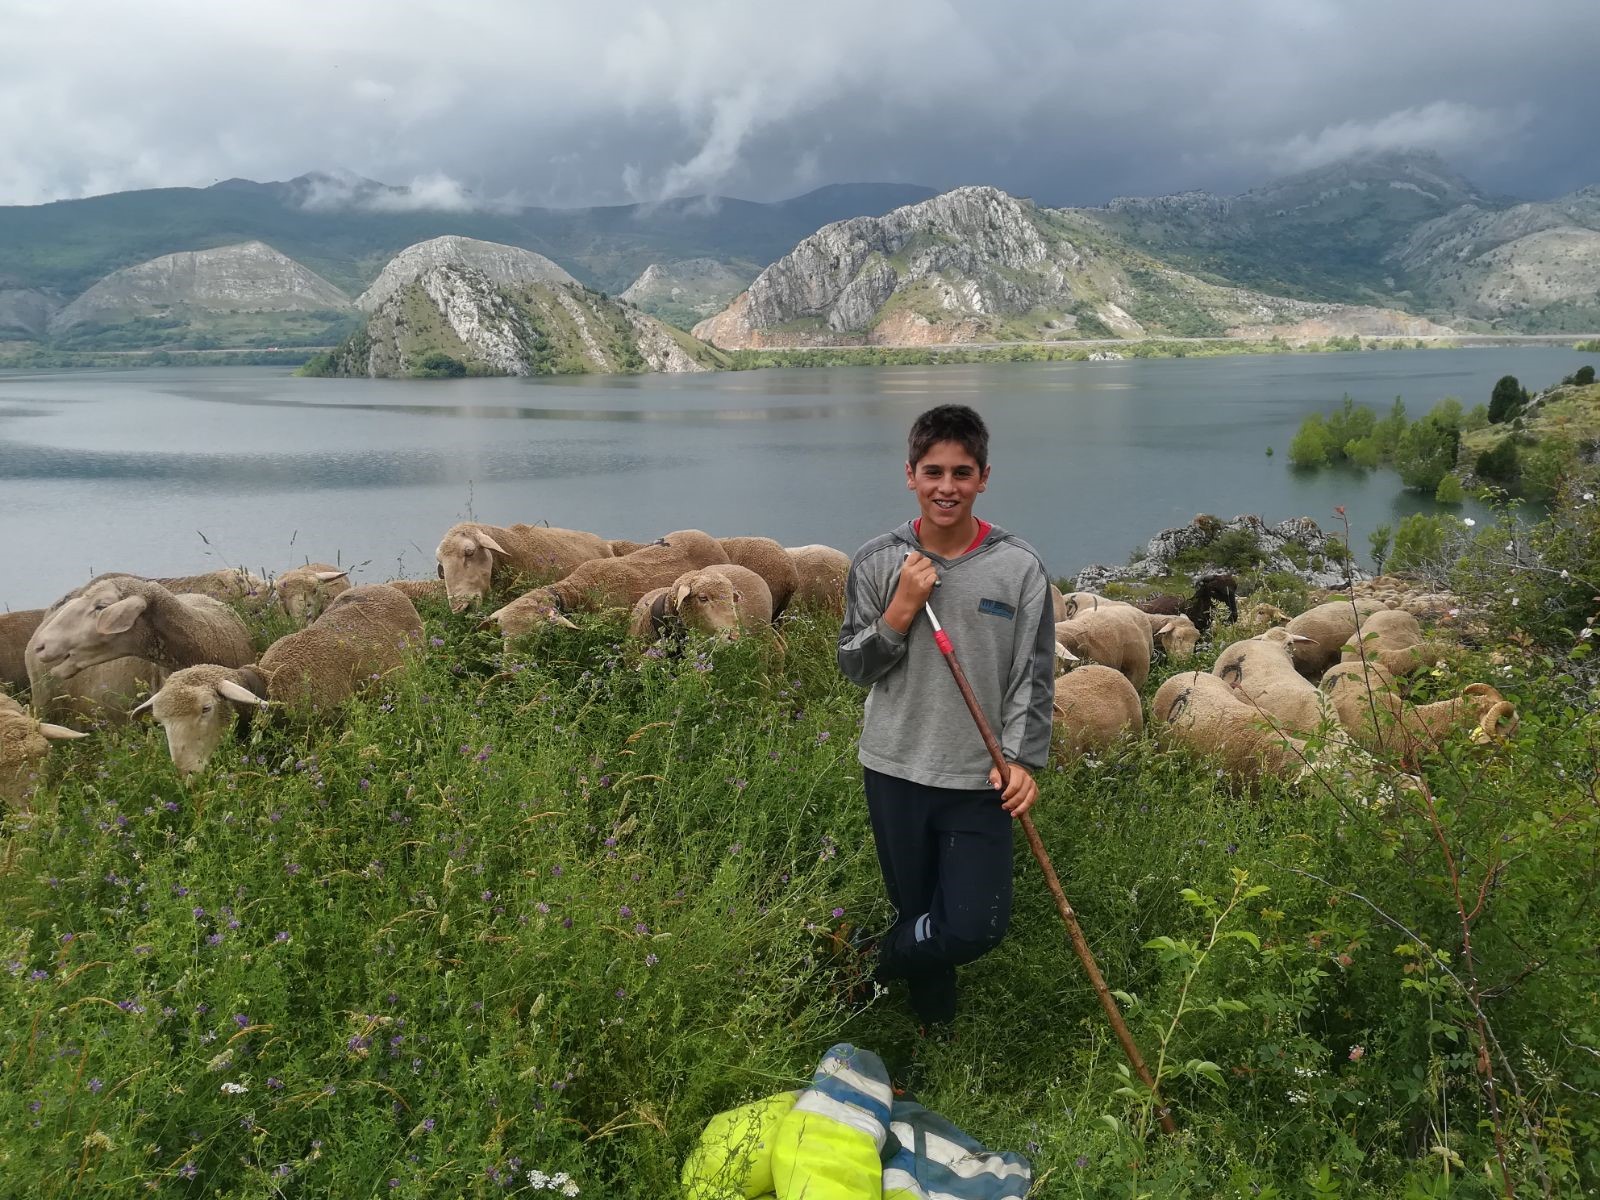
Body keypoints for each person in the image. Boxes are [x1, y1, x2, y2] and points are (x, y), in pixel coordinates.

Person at [837, 404, 1056, 1025]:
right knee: (918, 910)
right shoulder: (879, 562)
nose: (947, 487)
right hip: (895, 769)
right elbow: (855, 666)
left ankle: (870, 961)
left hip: (979, 780)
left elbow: (1033, 679)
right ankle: (934, 1034)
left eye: (962, 473)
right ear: (910, 474)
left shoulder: (1020, 568)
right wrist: (900, 611)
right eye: (933, 471)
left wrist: (1021, 761)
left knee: (972, 925)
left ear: (984, 477)